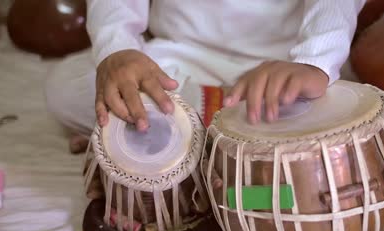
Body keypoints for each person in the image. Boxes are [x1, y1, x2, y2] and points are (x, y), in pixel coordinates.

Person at [45, 0, 366, 153]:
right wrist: (118, 50)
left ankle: (155, 138)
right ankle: (227, 135)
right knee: (67, 85)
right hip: (177, 59)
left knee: (336, 115)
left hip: (280, 72)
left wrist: (316, 61)